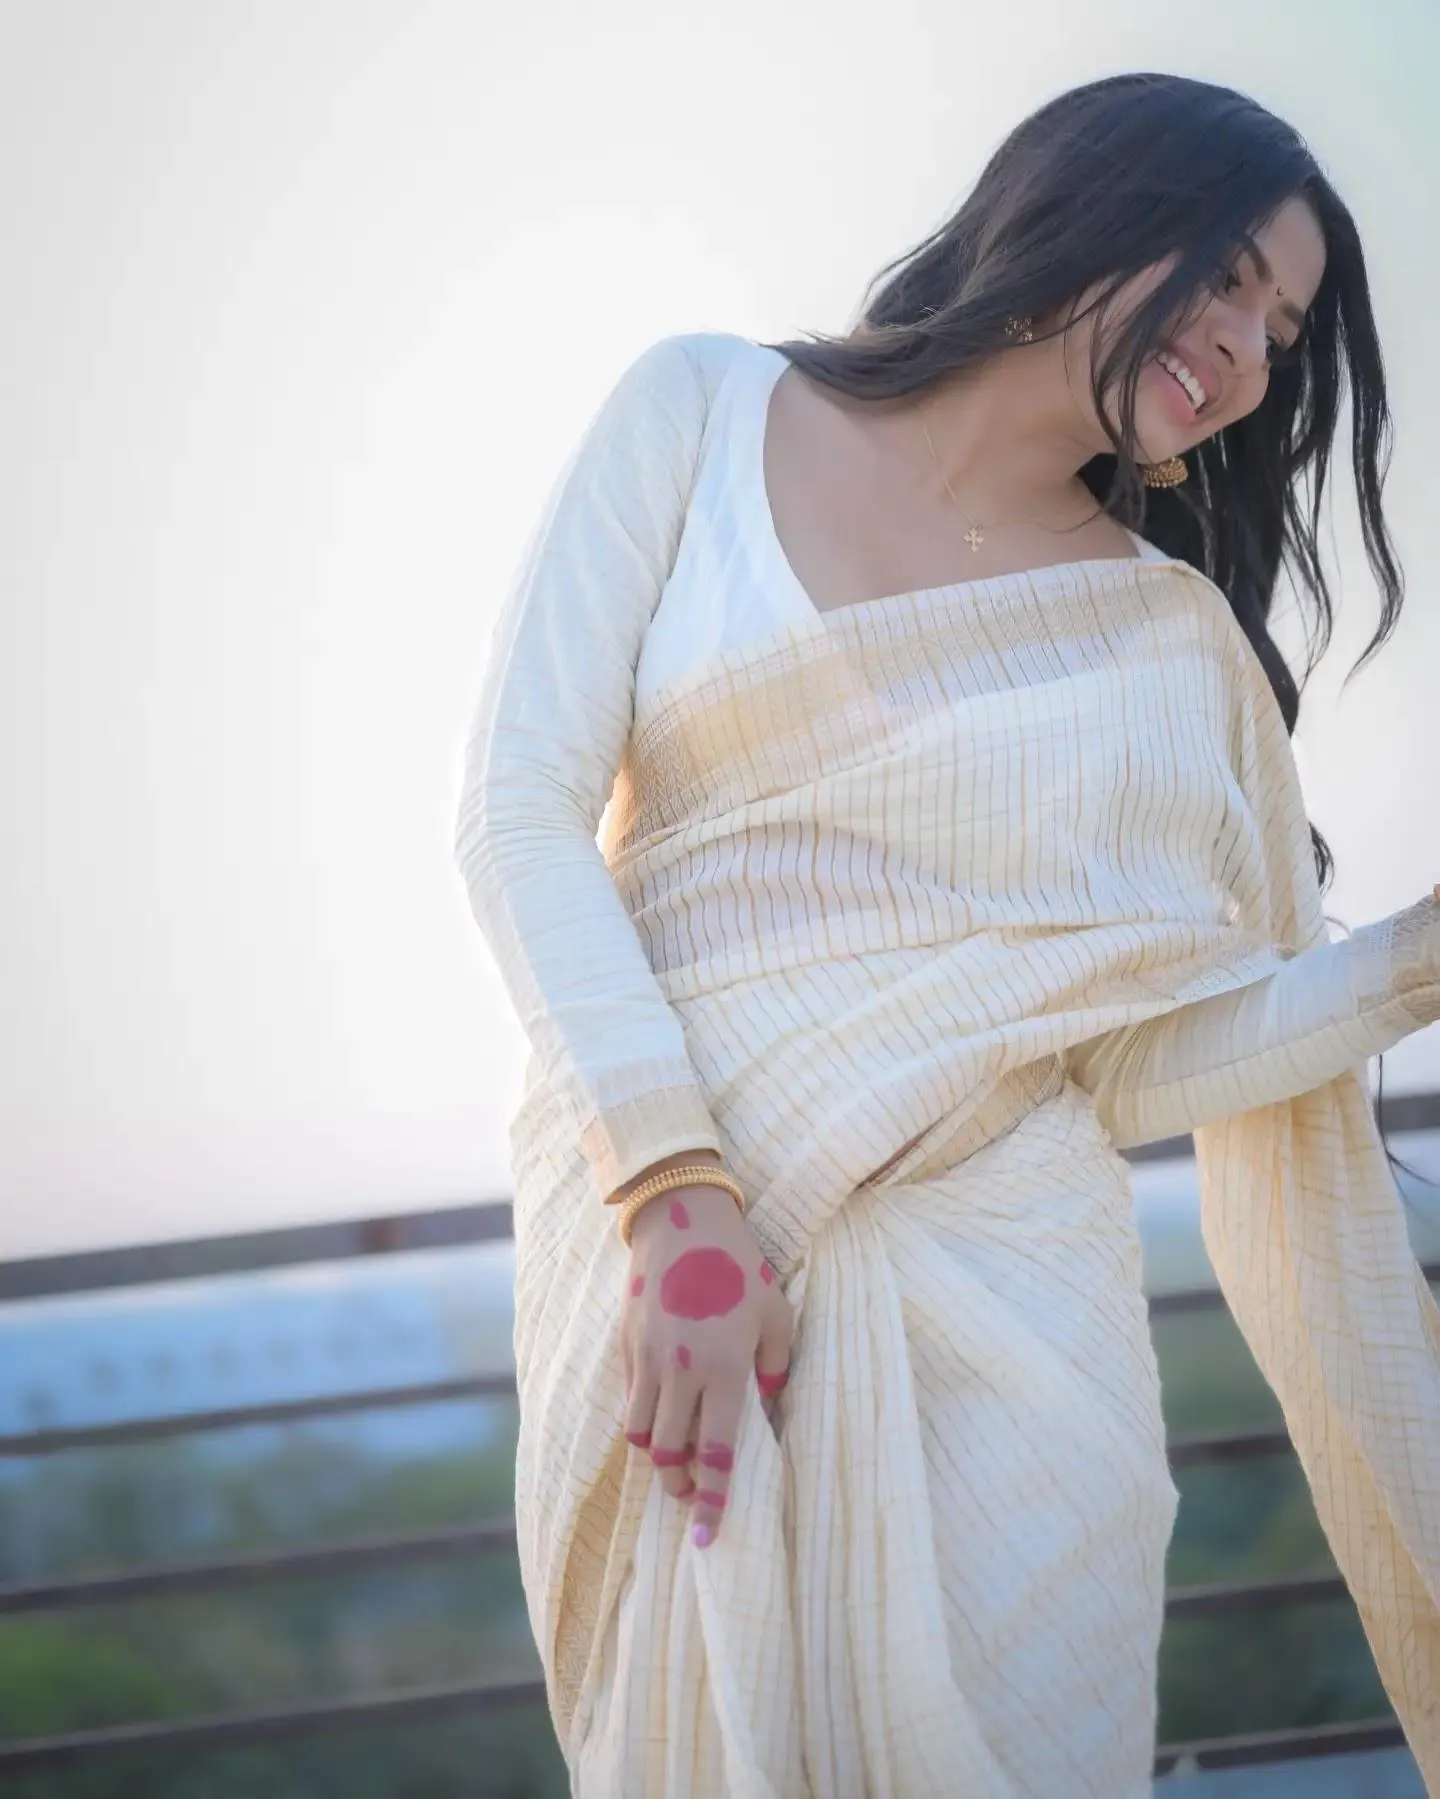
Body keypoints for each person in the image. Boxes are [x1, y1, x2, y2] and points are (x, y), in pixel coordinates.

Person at [453, 70, 1440, 1798]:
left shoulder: (1163, 641)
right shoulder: (704, 412)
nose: (1246, 346)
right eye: (1226, 275)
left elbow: (1120, 1059)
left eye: (1281, 327)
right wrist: (680, 1205)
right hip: (669, 1252)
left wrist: (1416, 959)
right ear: (1090, 204)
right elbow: (519, 813)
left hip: (1015, 1319)